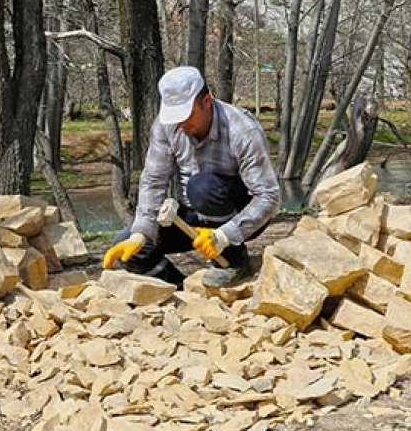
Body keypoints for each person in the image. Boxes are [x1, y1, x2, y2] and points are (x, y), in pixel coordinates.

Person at [103, 66, 281, 288]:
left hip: (237, 214)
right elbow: (153, 182)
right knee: (129, 250)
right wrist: (141, 233)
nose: (181, 124)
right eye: (175, 117)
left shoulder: (242, 130)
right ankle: (180, 290)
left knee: (202, 187)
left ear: (207, 100)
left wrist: (224, 236)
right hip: (192, 217)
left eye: (186, 115)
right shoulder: (166, 127)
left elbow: (269, 197)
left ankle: (234, 261)